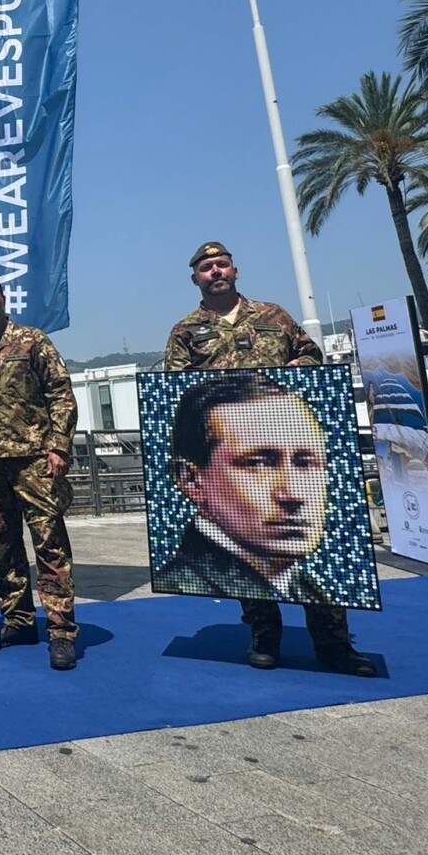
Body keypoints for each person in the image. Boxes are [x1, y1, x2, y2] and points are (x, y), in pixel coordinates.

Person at [163, 242, 377, 677]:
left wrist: (300, 364)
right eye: (207, 268)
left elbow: (312, 354)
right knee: (246, 537)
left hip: (287, 432)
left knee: (316, 553)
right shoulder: (185, 331)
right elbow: (175, 388)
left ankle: (334, 644)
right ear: (195, 279)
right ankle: (264, 634)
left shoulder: (274, 315)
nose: (215, 272)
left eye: (222, 264)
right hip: (234, 447)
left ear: (235, 270)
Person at [0, 271, 82, 671]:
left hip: (35, 460)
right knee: (5, 545)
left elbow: (60, 394)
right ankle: (18, 620)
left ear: (3, 299)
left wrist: (59, 446)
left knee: (49, 544)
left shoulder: (33, 341)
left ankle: (61, 630)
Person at [160, 372, 335, 603]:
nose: (293, 493)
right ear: (191, 480)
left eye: (306, 463)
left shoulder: (306, 591)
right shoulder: (183, 585)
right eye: (257, 463)